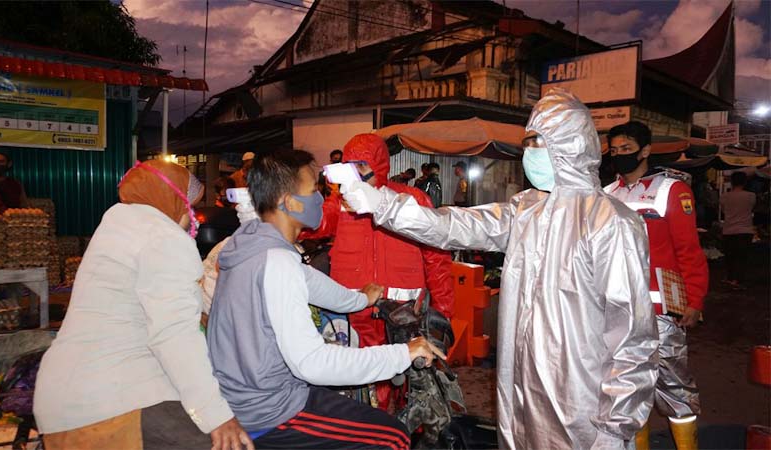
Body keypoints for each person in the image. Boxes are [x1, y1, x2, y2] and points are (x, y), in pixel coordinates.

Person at [341, 88, 659, 449]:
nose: (530, 153)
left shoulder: (611, 223)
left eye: (539, 142)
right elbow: (453, 225)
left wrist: (615, 427)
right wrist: (384, 206)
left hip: (583, 405)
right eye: (528, 143)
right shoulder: (526, 210)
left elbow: (633, 339)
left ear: (570, 145)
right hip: (520, 396)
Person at [207, 149, 443, 449]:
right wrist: (402, 354)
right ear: (290, 202)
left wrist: (361, 300)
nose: (321, 197)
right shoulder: (277, 261)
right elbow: (312, 363)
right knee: (392, 436)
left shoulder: (252, 242)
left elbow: (313, 283)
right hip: (271, 408)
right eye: (313, 190)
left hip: (249, 393)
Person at [34, 160, 253, 450]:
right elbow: (175, 335)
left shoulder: (119, 225)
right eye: (188, 205)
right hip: (112, 399)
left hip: (62, 398)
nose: (192, 218)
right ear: (172, 199)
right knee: (225, 443)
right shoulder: (165, 239)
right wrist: (217, 416)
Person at [302, 134, 455, 411]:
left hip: (406, 315)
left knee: (413, 390)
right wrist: (284, 205)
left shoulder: (411, 199)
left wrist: (443, 312)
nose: (355, 173)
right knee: (361, 390)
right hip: (355, 314)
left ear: (378, 164)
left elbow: (437, 257)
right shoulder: (339, 205)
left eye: (361, 165)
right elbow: (311, 224)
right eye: (348, 166)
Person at [604, 121, 708, 450]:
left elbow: (689, 251)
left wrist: (695, 300)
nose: (619, 155)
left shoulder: (671, 191)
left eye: (627, 149)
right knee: (627, 390)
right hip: (618, 310)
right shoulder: (607, 195)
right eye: (615, 150)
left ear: (645, 151)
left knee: (675, 387)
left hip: (663, 311)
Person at [720, 171, 756, 289]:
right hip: (745, 229)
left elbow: (724, 211)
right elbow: (751, 209)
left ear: (732, 182)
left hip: (728, 229)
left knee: (730, 256)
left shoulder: (724, 196)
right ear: (745, 182)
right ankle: (737, 280)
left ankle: (730, 277)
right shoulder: (751, 196)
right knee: (742, 257)